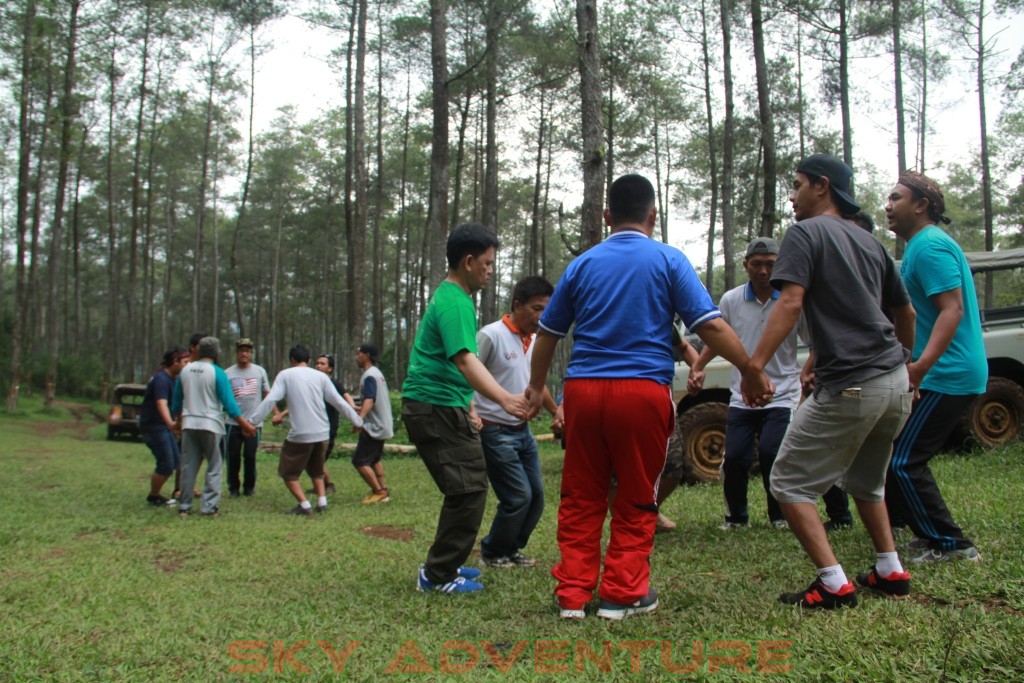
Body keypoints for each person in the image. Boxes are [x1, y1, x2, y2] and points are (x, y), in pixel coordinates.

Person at [526, 174, 755, 620]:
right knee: (636, 491)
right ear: (653, 215)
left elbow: (548, 335)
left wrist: (536, 388)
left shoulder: (581, 265)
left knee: (581, 493)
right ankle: (622, 594)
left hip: (584, 392)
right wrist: (750, 368)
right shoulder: (669, 260)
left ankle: (572, 596)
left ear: (607, 216)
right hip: (641, 392)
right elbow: (708, 325)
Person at [739, 153, 916, 608]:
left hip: (853, 388)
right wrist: (905, 365)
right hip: (894, 384)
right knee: (866, 481)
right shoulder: (869, 242)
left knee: (788, 483)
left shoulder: (805, 233)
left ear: (822, 186)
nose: (792, 196)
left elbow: (791, 303)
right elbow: (905, 312)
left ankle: (834, 583)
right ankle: (889, 569)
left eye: (797, 185)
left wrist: (753, 365)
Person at [401, 223, 530, 595]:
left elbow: (454, 362)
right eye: (488, 263)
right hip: (434, 405)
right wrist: (505, 399)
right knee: (468, 489)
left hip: (444, 404)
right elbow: (463, 360)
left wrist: (469, 403)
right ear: (469, 261)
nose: (491, 270)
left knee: (467, 486)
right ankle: (438, 574)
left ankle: (447, 563)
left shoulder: (454, 299)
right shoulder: (455, 301)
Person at [884, 171, 986, 564]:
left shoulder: (929, 247)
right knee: (898, 454)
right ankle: (928, 534)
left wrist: (920, 367)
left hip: (948, 373)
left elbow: (952, 310)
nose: (888, 206)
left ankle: (953, 544)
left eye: (896, 198)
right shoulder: (919, 247)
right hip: (943, 371)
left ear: (921, 205)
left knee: (905, 460)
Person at [689, 237, 806, 531]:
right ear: (746, 266)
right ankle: (736, 518)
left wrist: (810, 373)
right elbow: (717, 337)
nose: (764, 271)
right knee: (736, 458)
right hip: (742, 395)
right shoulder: (731, 299)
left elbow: (814, 341)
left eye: (770, 264)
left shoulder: (791, 301)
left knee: (772, 453)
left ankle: (780, 516)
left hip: (782, 394)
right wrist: (699, 365)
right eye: (757, 264)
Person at [475, 276, 559, 568]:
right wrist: (469, 409)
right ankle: (492, 551)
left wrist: (555, 411)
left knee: (536, 497)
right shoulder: (491, 335)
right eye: (536, 308)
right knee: (518, 497)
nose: (541, 316)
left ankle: (511, 549)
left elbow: (537, 383)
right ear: (517, 305)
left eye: (546, 310)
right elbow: (467, 373)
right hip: (494, 431)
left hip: (523, 432)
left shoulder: (535, 340)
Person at [249, 345, 362, 516]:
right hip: (323, 432)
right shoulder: (320, 377)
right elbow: (338, 401)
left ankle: (304, 505)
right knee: (317, 469)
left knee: (288, 473)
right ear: (309, 361)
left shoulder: (285, 375)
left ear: (292, 360)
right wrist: (357, 420)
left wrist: (252, 421)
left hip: (301, 434)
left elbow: (270, 399)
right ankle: (322, 502)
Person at [170, 337, 256, 517]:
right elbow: (230, 405)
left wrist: (178, 422)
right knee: (214, 465)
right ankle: (209, 507)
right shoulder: (217, 372)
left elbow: (177, 401)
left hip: (189, 423)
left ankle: (184, 506)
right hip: (211, 424)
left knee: (188, 465)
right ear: (217, 353)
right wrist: (246, 425)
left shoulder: (185, 371)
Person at [653, 326, 700, 533]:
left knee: (673, 466)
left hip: (662, 404)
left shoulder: (661, 316)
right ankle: (625, 525)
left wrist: (698, 369)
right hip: (621, 404)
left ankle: (649, 510)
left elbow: (684, 346)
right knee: (619, 474)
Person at [224, 338, 275, 497]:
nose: (244, 354)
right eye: (241, 351)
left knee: (250, 455)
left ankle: (249, 487)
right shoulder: (228, 373)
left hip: (254, 423)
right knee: (233, 456)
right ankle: (233, 487)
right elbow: (225, 398)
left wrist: (276, 412)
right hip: (233, 422)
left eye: (247, 351)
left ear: (251, 353)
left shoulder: (259, 371)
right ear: (237, 353)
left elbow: (268, 394)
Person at [139, 347, 189, 506]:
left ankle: (155, 496)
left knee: (175, 461)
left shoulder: (173, 379)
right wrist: (171, 424)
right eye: (185, 362)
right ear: (175, 362)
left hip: (164, 427)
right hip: (154, 427)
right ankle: (153, 497)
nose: (188, 366)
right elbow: (161, 403)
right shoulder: (161, 379)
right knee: (166, 464)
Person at [352, 343, 395, 505]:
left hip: (374, 427)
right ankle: (383, 489)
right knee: (374, 460)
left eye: (359, 354)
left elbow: (370, 399)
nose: (356, 357)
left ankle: (379, 492)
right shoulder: (377, 374)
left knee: (360, 461)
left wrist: (359, 418)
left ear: (366, 355)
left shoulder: (369, 375)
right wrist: (358, 408)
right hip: (383, 424)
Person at [310, 353, 357, 495]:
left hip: (329, 426)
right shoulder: (312, 383)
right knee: (315, 458)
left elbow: (346, 397)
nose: (318, 366)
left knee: (318, 458)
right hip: (314, 425)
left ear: (330, 368)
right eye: (317, 363)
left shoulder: (333, 383)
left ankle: (328, 485)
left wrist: (353, 413)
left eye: (322, 364)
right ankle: (322, 485)